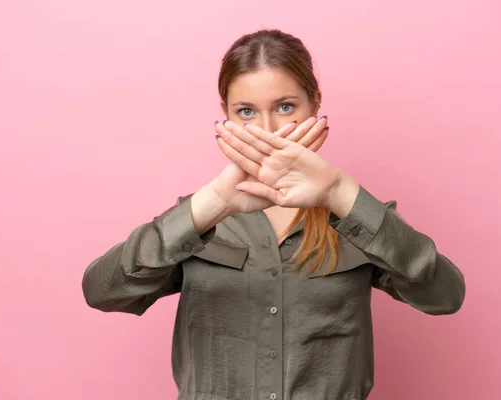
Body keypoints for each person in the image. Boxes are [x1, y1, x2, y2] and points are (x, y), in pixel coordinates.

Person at [82, 29, 466, 400]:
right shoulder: (199, 217)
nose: (267, 131)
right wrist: (214, 202)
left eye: (285, 107)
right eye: (246, 111)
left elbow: (444, 294)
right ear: (225, 114)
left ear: (315, 102)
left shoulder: (359, 219)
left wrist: (338, 192)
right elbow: (101, 291)